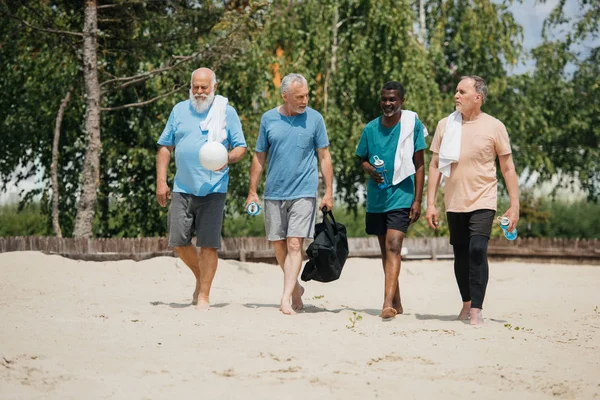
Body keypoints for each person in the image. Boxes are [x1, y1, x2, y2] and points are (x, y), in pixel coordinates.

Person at [425, 75, 519, 325]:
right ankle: (466, 302)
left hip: (483, 199)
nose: (456, 95)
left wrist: (514, 204)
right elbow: (434, 165)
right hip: (454, 200)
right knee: (461, 254)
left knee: (477, 249)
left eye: (461, 91)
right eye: (456, 91)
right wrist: (431, 203)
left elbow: (507, 167)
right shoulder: (445, 125)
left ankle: (477, 308)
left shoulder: (495, 126)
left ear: (477, 97)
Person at [156, 67, 247, 310]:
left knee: (208, 244)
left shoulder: (226, 112)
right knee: (177, 241)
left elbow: (241, 147)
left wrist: (227, 158)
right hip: (182, 187)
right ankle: (201, 276)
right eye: (195, 86)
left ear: (214, 87)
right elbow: (165, 147)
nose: (198, 92)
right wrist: (161, 181)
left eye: (203, 87)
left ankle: (204, 295)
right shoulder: (179, 110)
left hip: (214, 189)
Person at [245, 73, 334, 315]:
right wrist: (252, 191)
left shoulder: (315, 119)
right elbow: (259, 155)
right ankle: (295, 288)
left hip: (304, 191)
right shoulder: (268, 119)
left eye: (306, 95)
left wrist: (328, 191)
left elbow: (324, 157)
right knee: (278, 244)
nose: (305, 100)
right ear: (285, 96)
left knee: (295, 243)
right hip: (274, 191)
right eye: (299, 97)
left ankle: (285, 298)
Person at [355, 81, 427, 320]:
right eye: (385, 99)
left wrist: (417, 200)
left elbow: (419, 165)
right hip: (378, 197)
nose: (388, 103)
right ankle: (397, 300)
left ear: (402, 101)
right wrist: (369, 170)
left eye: (393, 99)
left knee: (394, 246)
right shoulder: (370, 129)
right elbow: (362, 158)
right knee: (386, 252)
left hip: (402, 196)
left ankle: (387, 304)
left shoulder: (411, 126)